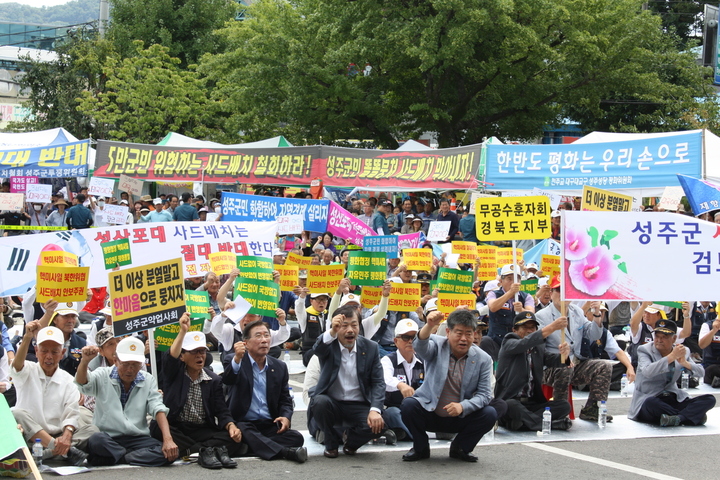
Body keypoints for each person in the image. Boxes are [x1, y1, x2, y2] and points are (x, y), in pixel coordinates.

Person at [400, 309, 497, 462]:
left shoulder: (483, 359)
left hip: (460, 416)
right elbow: (420, 346)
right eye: (458, 333)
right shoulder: (437, 345)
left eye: (469, 333)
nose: (464, 339)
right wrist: (429, 325)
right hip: (430, 411)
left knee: (490, 413)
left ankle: (461, 448)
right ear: (448, 332)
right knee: (408, 406)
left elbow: (485, 395)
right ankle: (420, 447)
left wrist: (463, 406)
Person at [154, 313, 243, 469]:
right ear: (182, 356)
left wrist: (231, 426)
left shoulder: (213, 380)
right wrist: (182, 331)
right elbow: (170, 358)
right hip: (177, 427)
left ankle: (194, 451)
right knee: (157, 428)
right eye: (194, 352)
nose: (199, 356)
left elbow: (222, 411)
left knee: (233, 438)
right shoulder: (174, 374)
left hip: (202, 429)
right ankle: (208, 450)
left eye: (202, 352)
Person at [75, 337, 179, 467]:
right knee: (96, 440)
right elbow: (82, 383)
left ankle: (119, 457)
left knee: (169, 453)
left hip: (137, 438)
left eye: (135, 364)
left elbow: (157, 407)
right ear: (115, 361)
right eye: (125, 364)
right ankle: (131, 456)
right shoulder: (102, 374)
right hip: (108, 437)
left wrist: (168, 440)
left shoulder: (148, 379)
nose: (130, 369)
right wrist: (84, 362)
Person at [309, 305, 392, 458]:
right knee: (319, 402)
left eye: (354, 325)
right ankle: (331, 442)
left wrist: (375, 410)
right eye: (343, 326)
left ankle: (351, 443)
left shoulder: (371, 347)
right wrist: (332, 331)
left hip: (359, 404)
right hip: (332, 404)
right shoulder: (329, 345)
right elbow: (317, 349)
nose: (350, 330)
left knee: (382, 421)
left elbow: (378, 382)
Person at [11, 322, 95, 466]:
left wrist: (67, 436)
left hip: (58, 435)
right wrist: (27, 337)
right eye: (44, 351)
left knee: (92, 429)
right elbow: (17, 366)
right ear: (36, 351)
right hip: (30, 435)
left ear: (62, 354)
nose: (49, 356)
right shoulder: (28, 370)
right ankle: (63, 452)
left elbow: (72, 412)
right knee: (16, 412)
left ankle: (50, 452)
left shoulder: (68, 380)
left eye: (54, 352)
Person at [223, 320, 307, 463]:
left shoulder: (279, 366)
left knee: (297, 438)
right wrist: (237, 358)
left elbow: (285, 398)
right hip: (244, 422)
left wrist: (286, 416)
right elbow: (229, 379)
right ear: (246, 343)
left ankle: (250, 446)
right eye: (258, 336)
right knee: (244, 430)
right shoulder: (234, 360)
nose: (264, 340)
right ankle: (285, 452)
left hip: (269, 423)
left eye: (266, 336)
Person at [535, 276, 613, 423]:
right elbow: (538, 347)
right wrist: (560, 356)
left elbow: (593, 334)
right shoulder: (541, 316)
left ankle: (592, 408)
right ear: (551, 293)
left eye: (565, 291)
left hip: (575, 362)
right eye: (558, 290)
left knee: (605, 366)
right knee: (565, 368)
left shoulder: (576, 311)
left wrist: (596, 314)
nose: (562, 295)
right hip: (551, 367)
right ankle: (560, 411)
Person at [629, 319, 716, 426]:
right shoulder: (644, 350)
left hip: (672, 397)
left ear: (674, 338)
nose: (659, 340)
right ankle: (690, 416)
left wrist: (685, 363)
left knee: (709, 399)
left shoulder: (682, 351)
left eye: (664, 337)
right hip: (650, 397)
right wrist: (671, 357)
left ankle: (677, 418)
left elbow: (701, 373)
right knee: (651, 404)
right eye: (657, 336)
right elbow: (648, 372)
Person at [494, 312, 572, 431]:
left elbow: (552, 359)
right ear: (514, 330)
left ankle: (524, 423)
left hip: (532, 403)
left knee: (564, 406)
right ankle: (548, 425)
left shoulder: (537, 348)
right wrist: (552, 327)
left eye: (532, 327)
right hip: (511, 401)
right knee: (511, 406)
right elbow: (524, 344)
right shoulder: (509, 342)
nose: (529, 331)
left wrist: (564, 355)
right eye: (525, 327)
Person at [381, 319, 424, 441]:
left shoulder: (423, 361)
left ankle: (404, 433)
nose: (410, 341)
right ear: (396, 341)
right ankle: (417, 437)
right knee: (392, 413)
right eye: (405, 337)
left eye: (414, 337)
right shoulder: (387, 360)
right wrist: (400, 385)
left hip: (418, 409)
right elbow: (384, 379)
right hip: (395, 407)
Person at [485, 264, 535, 347]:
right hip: (496, 341)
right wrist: (510, 292)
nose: (513, 282)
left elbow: (531, 313)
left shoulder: (526, 296)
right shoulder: (493, 293)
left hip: (517, 341)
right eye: (509, 279)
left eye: (516, 279)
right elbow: (493, 307)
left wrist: (521, 310)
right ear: (501, 281)